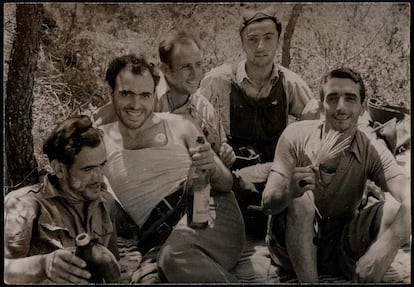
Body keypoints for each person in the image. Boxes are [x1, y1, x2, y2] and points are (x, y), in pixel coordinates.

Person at [98, 54, 245, 283]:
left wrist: (212, 167)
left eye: (145, 95)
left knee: (175, 258)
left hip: (206, 209)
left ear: (154, 96)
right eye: (127, 94)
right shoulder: (100, 139)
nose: (136, 105)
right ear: (112, 94)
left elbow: (225, 183)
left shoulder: (179, 124)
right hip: (157, 237)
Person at [262, 68, 410, 283]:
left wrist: (387, 245)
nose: (341, 107)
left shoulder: (370, 147)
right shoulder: (295, 136)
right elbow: (267, 204)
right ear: (321, 106)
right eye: (332, 98)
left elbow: (408, 195)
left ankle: (366, 276)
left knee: (396, 208)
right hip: (289, 249)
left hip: (341, 245)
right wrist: (288, 191)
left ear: (361, 108)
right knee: (302, 199)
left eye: (350, 98)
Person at [198, 6, 320, 234]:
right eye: (252, 39)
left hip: (275, 175)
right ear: (242, 42)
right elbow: (194, 126)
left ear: (278, 40)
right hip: (232, 176)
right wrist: (216, 150)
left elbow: (315, 126)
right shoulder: (217, 81)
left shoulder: (289, 83)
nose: (260, 47)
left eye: (268, 38)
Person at [93, 29, 235, 168]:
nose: (195, 74)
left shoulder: (203, 108)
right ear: (165, 69)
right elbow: (98, 126)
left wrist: (225, 155)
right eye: (186, 67)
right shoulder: (144, 98)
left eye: (198, 65)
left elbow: (218, 154)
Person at [4, 115, 119, 283]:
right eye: (88, 169)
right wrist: (43, 266)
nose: (99, 178)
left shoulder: (106, 203)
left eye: (101, 166)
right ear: (59, 170)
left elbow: (112, 265)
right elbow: (6, 270)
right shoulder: (25, 205)